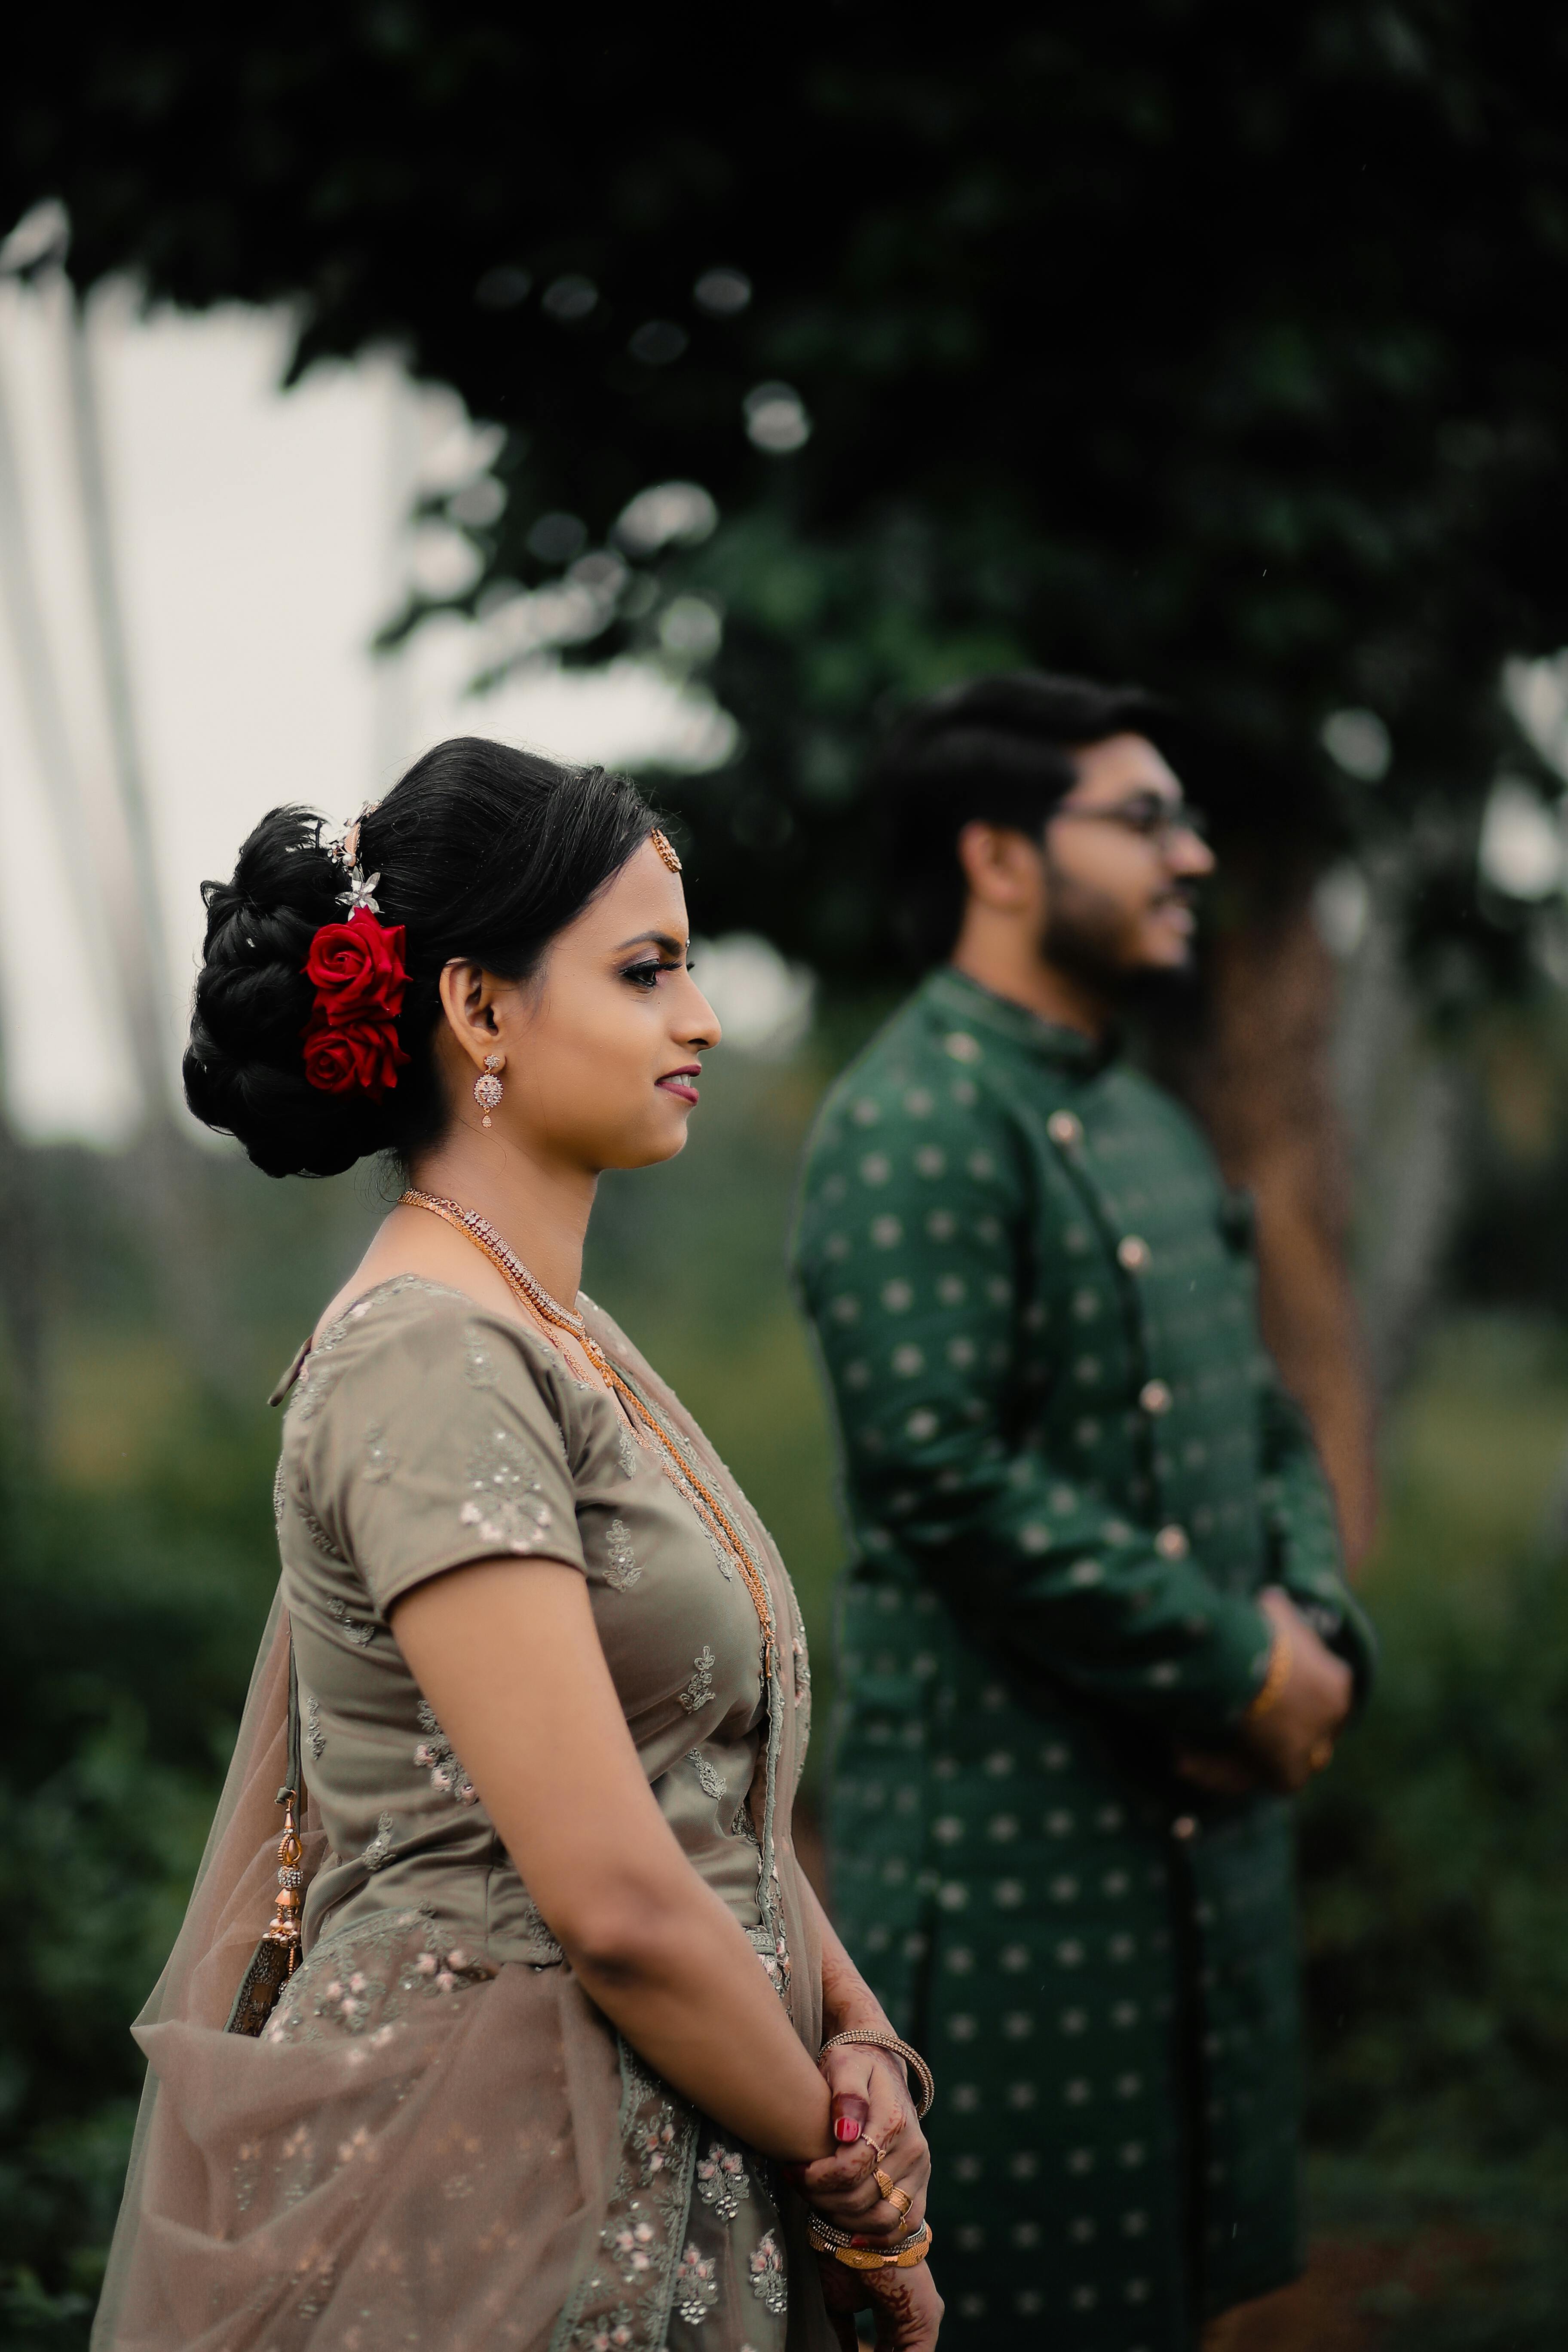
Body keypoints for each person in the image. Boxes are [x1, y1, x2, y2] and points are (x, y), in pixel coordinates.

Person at [94, 738, 942, 2352]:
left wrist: (863, 2043)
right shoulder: (432, 1355)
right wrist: (858, 2193)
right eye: (645, 973)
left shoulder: (556, 1333)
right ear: (479, 1010)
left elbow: (696, 1782)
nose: (701, 1020)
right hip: (499, 2174)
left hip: (691, 2098)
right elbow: (614, 1896)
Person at [790, 674, 1376, 2350]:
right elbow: (938, 1476)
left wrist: (1321, 1634)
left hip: (1196, 1881)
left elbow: (1266, 1415)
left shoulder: (1142, 1114)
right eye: (1144, 818)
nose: (1190, 855)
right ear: (997, 854)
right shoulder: (911, 1125)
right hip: (1005, 1896)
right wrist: (1233, 1668)